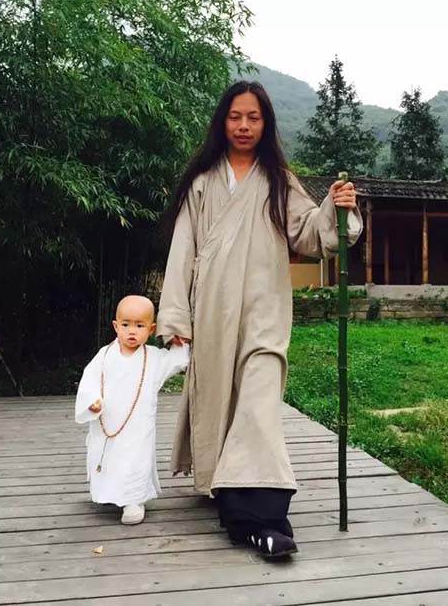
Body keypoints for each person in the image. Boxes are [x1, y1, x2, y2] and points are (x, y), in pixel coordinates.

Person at [156, 81, 362, 557]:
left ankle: (263, 516)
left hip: (266, 311)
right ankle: (231, 494)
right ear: (222, 122)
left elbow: (312, 235)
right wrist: (176, 317)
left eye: (253, 117)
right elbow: (182, 250)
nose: (244, 125)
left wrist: (336, 205)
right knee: (222, 402)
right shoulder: (204, 183)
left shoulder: (279, 181)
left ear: (266, 123)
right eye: (235, 116)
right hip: (212, 311)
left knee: (259, 404)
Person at [75, 295, 189, 525]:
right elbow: (90, 380)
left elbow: (177, 361)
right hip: (108, 419)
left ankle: (134, 500)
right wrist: (93, 400)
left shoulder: (154, 358)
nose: (132, 331)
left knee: (135, 459)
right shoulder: (104, 356)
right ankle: (108, 494)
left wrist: (180, 344)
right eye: (125, 325)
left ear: (151, 328)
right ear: (116, 326)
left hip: (138, 425)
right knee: (107, 458)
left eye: (140, 325)